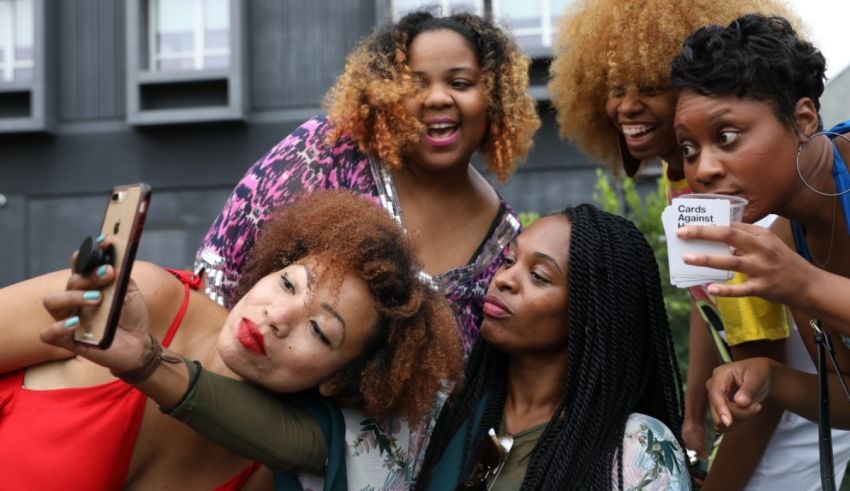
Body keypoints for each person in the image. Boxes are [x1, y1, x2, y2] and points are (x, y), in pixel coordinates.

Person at [193, 10, 540, 488]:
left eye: (460, 82)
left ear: (495, 97)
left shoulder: (507, 246)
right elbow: (219, 271)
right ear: (386, 94)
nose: (438, 97)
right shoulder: (326, 149)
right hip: (218, 423)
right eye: (416, 83)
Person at [545, 1, 845, 489]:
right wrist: (695, 413)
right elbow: (713, 301)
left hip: (792, 433)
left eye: (649, 86)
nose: (625, 105)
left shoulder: (754, 211)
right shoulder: (698, 187)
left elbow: (768, 384)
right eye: (614, 87)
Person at [0, 190, 461, 490]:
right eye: (288, 284)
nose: (278, 317)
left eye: (319, 330)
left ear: (337, 383)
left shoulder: (269, 472)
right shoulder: (150, 297)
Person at [668, 13, 850, 487]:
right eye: (689, 148)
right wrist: (770, 376)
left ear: (804, 119)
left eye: (726, 137)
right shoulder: (792, 240)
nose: (702, 169)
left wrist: (809, 285)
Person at [413, 204, 690, 490]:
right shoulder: (450, 408)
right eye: (509, 261)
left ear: (590, 315)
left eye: (539, 276)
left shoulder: (640, 448)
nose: (504, 279)